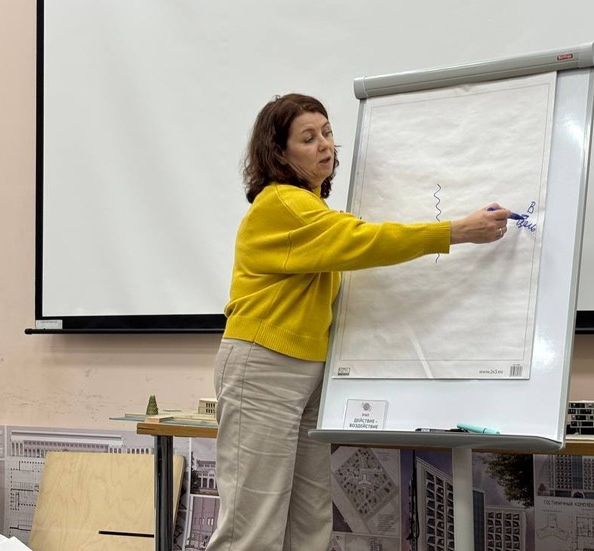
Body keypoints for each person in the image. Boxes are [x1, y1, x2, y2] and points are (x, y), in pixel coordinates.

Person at [206, 93, 512, 551]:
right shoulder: (282, 203)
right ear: (279, 153)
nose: (325, 145)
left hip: (305, 372)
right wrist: (455, 231)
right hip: (264, 366)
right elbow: (365, 240)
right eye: (308, 138)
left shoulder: (311, 208)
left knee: (309, 520)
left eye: (327, 133)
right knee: (252, 526)